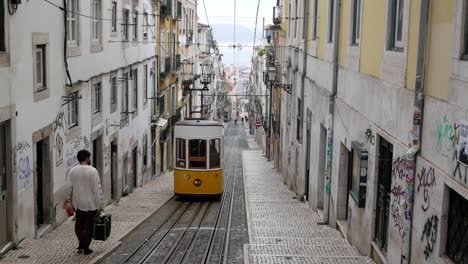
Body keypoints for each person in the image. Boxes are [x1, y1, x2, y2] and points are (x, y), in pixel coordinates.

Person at [66, 150, 104, 255]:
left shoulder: (72, 171)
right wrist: (100, 205)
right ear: (87, 158)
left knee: (79, 225)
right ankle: (86, 247)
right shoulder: (93, 171)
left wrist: (68, 201)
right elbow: (97, 189)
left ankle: (81, 243)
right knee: (88, 226)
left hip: (77, 203)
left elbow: (68, 188)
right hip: (90, 204)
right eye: (89, 157)